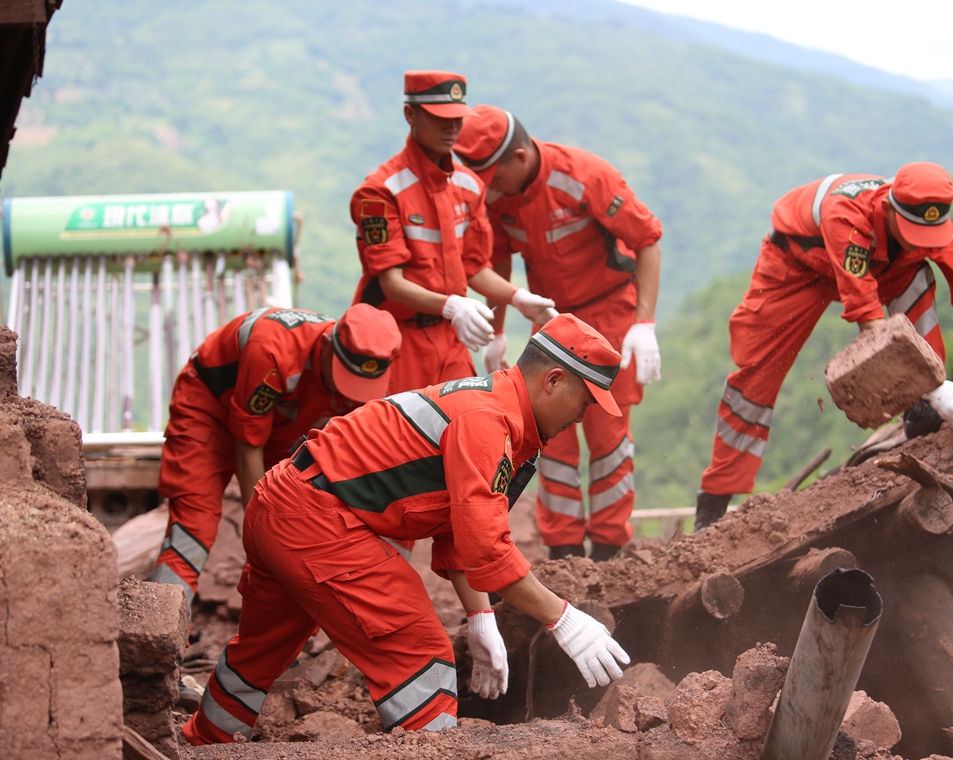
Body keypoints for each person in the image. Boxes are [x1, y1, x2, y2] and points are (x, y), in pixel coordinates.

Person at [181, 314, 631, 745]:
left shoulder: (501, 415)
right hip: (315, 518)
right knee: (420, 654)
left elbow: (461, 530)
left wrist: (480, 617)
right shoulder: (488, 421)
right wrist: (564, 618)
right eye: (586, 399)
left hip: (284, 502)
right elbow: (489, 550)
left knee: (261, 650)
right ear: (553, 380)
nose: (583, 415)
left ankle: (204, 740)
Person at [693, 163, 953, 529]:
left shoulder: (929, 227)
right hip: (797, 266)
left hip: (886, 269)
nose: (923, 242)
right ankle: (714, 503)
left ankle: (924, 426)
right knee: (754, 381)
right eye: (914, 232)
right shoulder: (846, 218)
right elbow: (877, 337)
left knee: (917, 281)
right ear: (890, 210)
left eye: (930, 235)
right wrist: (932, 387)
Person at [454, 105, 663, 561]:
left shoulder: (585, 176)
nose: (488, 191)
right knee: (547, 434)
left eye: (492, 178)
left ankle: (610, 551)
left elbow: (647, 239)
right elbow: (498, 259)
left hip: (610, 315)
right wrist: (496, 332)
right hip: (549, 322)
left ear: (521, 157)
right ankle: (564, 552)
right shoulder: (500, 194)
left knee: (608, 437)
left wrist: (644, 324)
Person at [151, 304, 402, 610]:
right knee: (195, 519)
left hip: (287, 420)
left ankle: (273, 650)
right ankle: (160, 630)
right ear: (326, 345)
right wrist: (261, 539)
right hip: (209, 408)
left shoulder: (373, 362)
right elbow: (248, 447)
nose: (347, 389)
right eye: (341, 376)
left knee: (302, 533)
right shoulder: (271, 350)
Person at [349, 71, 556, 394]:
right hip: (395, 339)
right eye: (438, 118)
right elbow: (390, 283)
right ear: (410, 115)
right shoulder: (379, 192)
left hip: (452, 338)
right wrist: (453, 306)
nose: (452, 128)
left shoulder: (468, 185)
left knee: (464, 426)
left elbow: (474, 267)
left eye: (458, 118)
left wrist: (519, 298)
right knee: (400, 437)